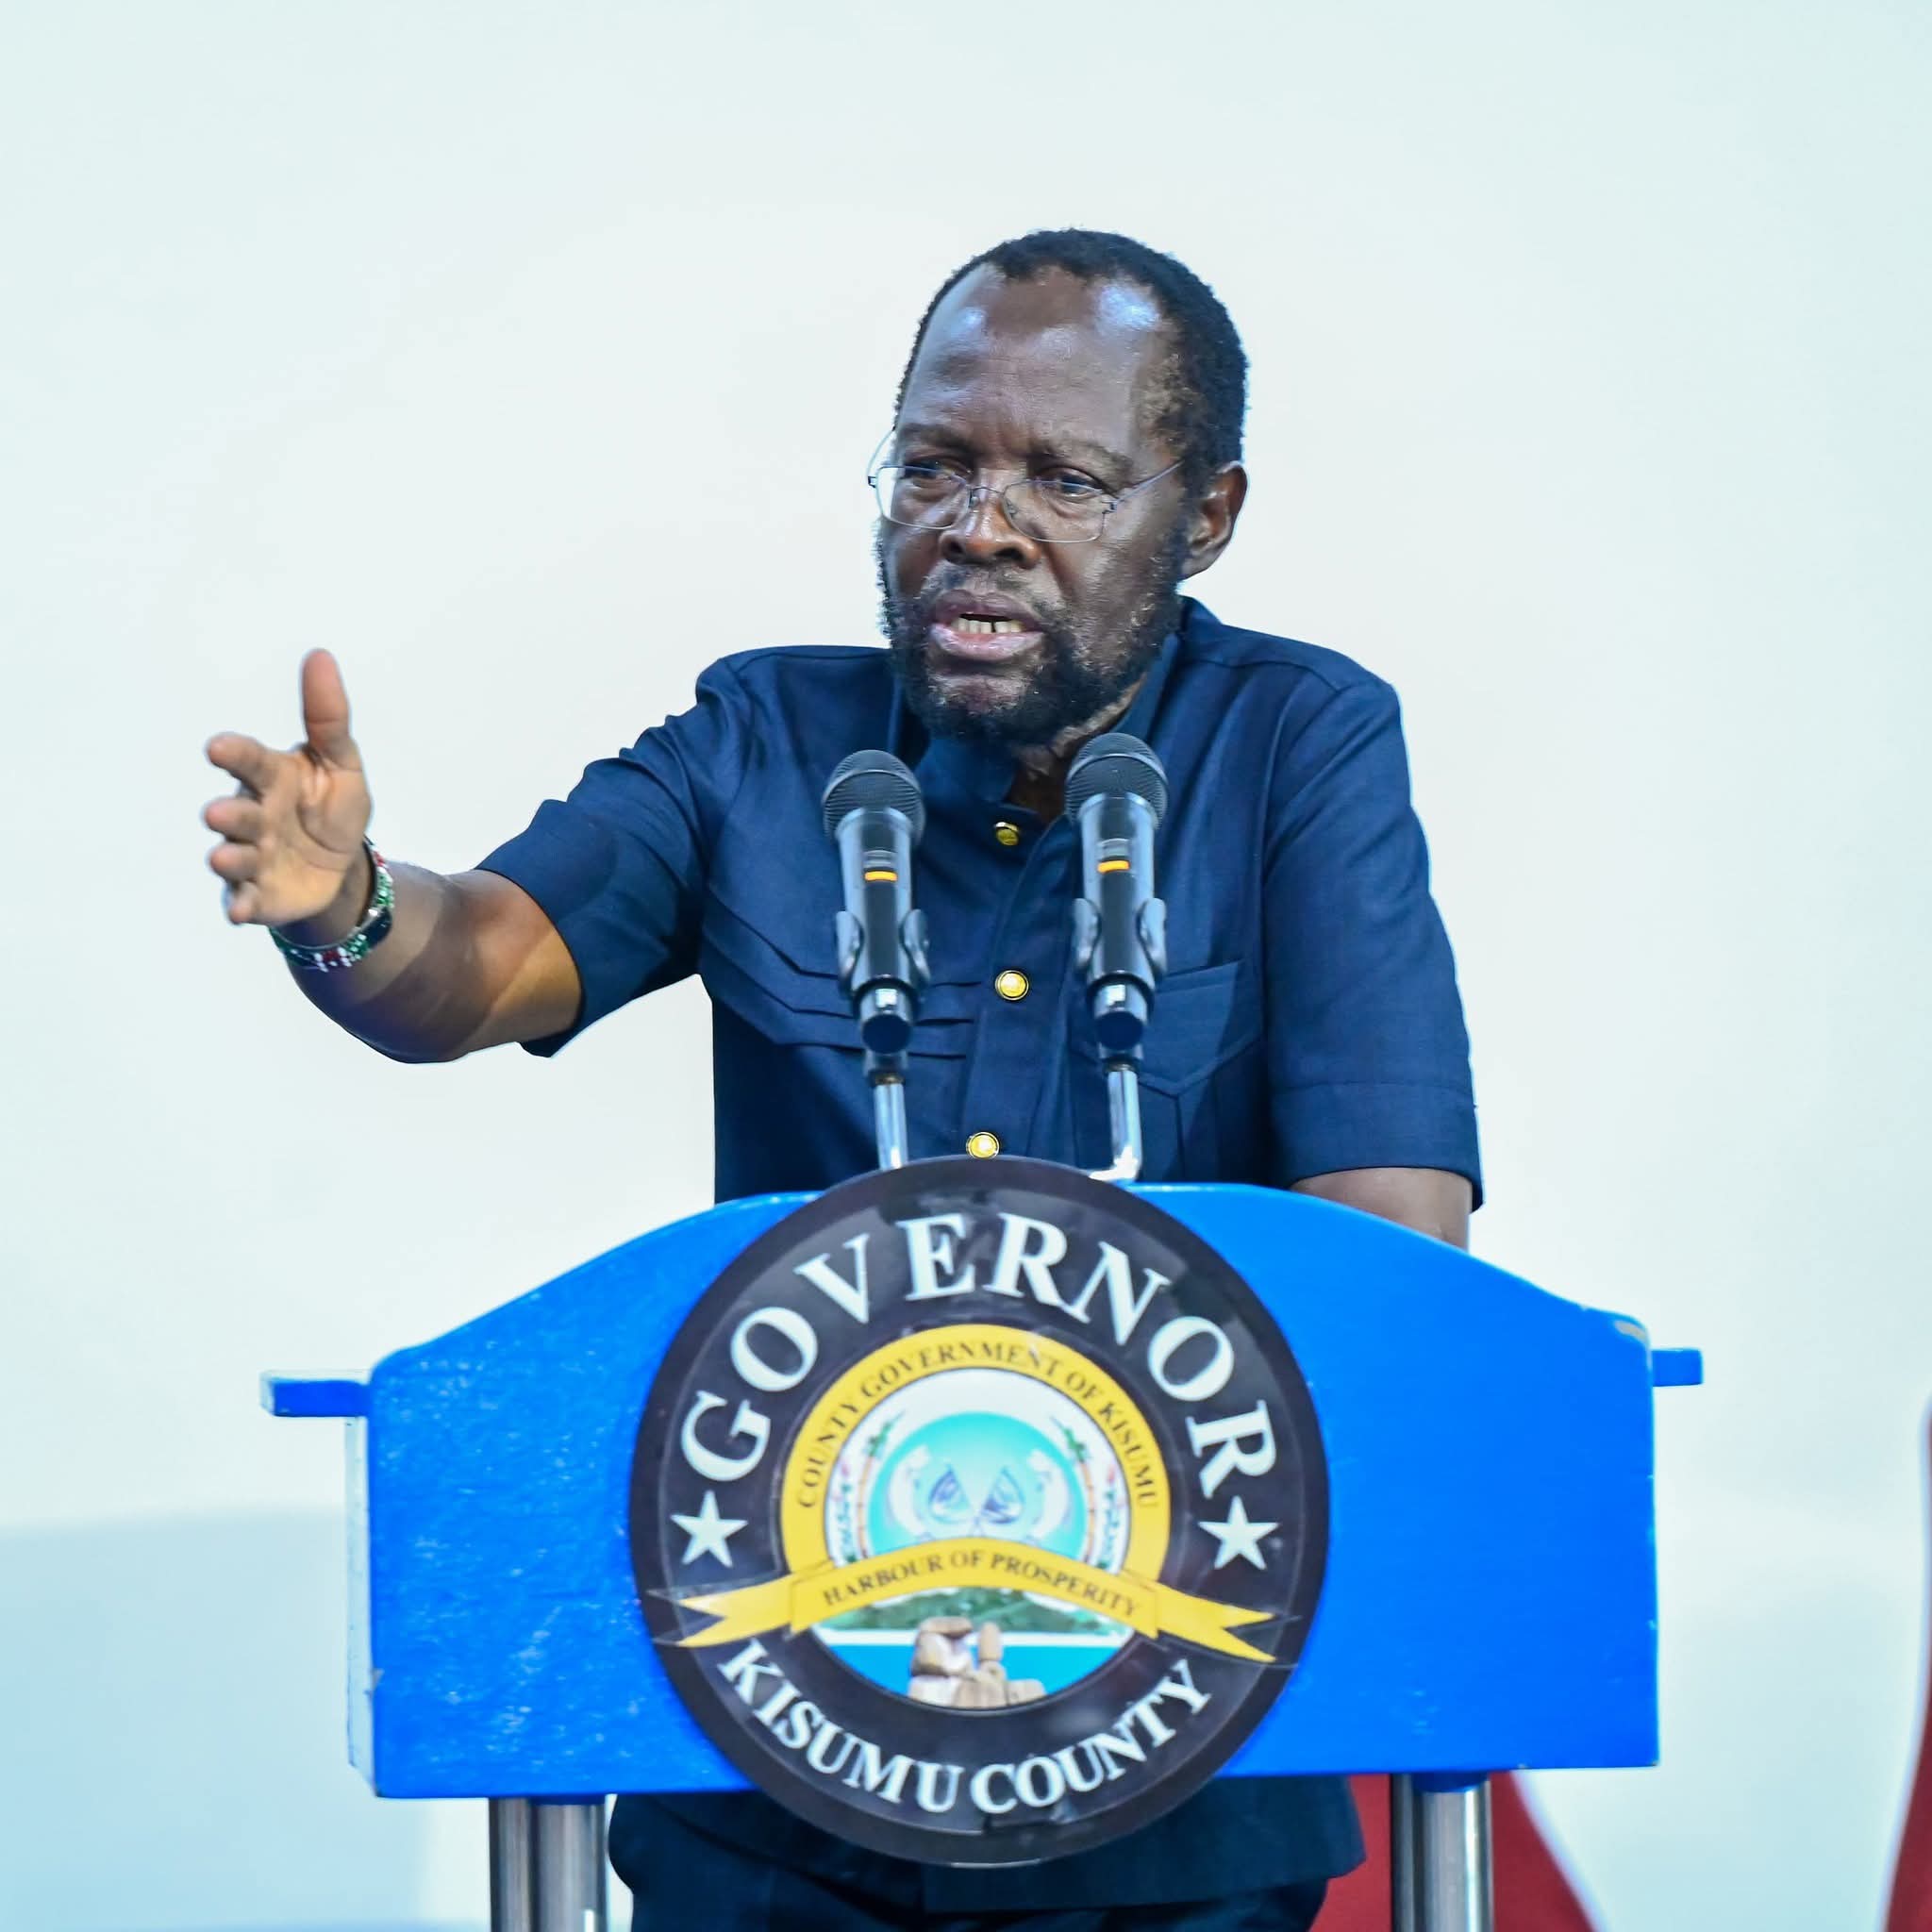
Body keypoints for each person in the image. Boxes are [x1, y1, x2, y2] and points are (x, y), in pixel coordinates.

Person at [202, 228, 1479, 1932]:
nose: (980, 525)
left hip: (1174, 1793)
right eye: (934, 466)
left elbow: (1392, 1259)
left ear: (1206, 515)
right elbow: (478, 962)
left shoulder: (1298, 748)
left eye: (1064, 480)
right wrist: (349, 905)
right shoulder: (765, 743)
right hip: (777, 1787)